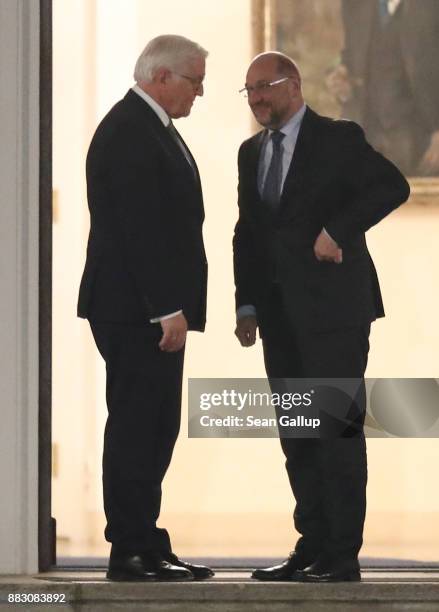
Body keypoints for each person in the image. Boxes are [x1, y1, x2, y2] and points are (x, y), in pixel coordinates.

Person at [233, 52, 410, 582]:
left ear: (294, 85)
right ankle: (310, 545)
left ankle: (341, 554)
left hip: (335, 313)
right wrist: (246, 303)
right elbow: (247, 233)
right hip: (279, 319)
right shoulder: (250, 153)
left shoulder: (338, 138)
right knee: (298, 434)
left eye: (265, 86)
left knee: (334, 431)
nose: (259, 98)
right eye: (250, 91)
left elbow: (392, 187)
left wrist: (337, 230)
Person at [77, 35, 213, 582]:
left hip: (145, 310)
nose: (200, 92)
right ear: (162, 77)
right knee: (138, 427)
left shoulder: (149, 125)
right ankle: (130, 549)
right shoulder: (132, 131)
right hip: (137, 312)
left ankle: (147, 542)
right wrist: (165, 309)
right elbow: (139, 232)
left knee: (155, 427)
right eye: (194, 81)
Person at [326, 0, 439, 176]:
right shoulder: (355, 5)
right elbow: (350, 59)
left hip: (420, 142)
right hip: (365, 139)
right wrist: (342, 79)